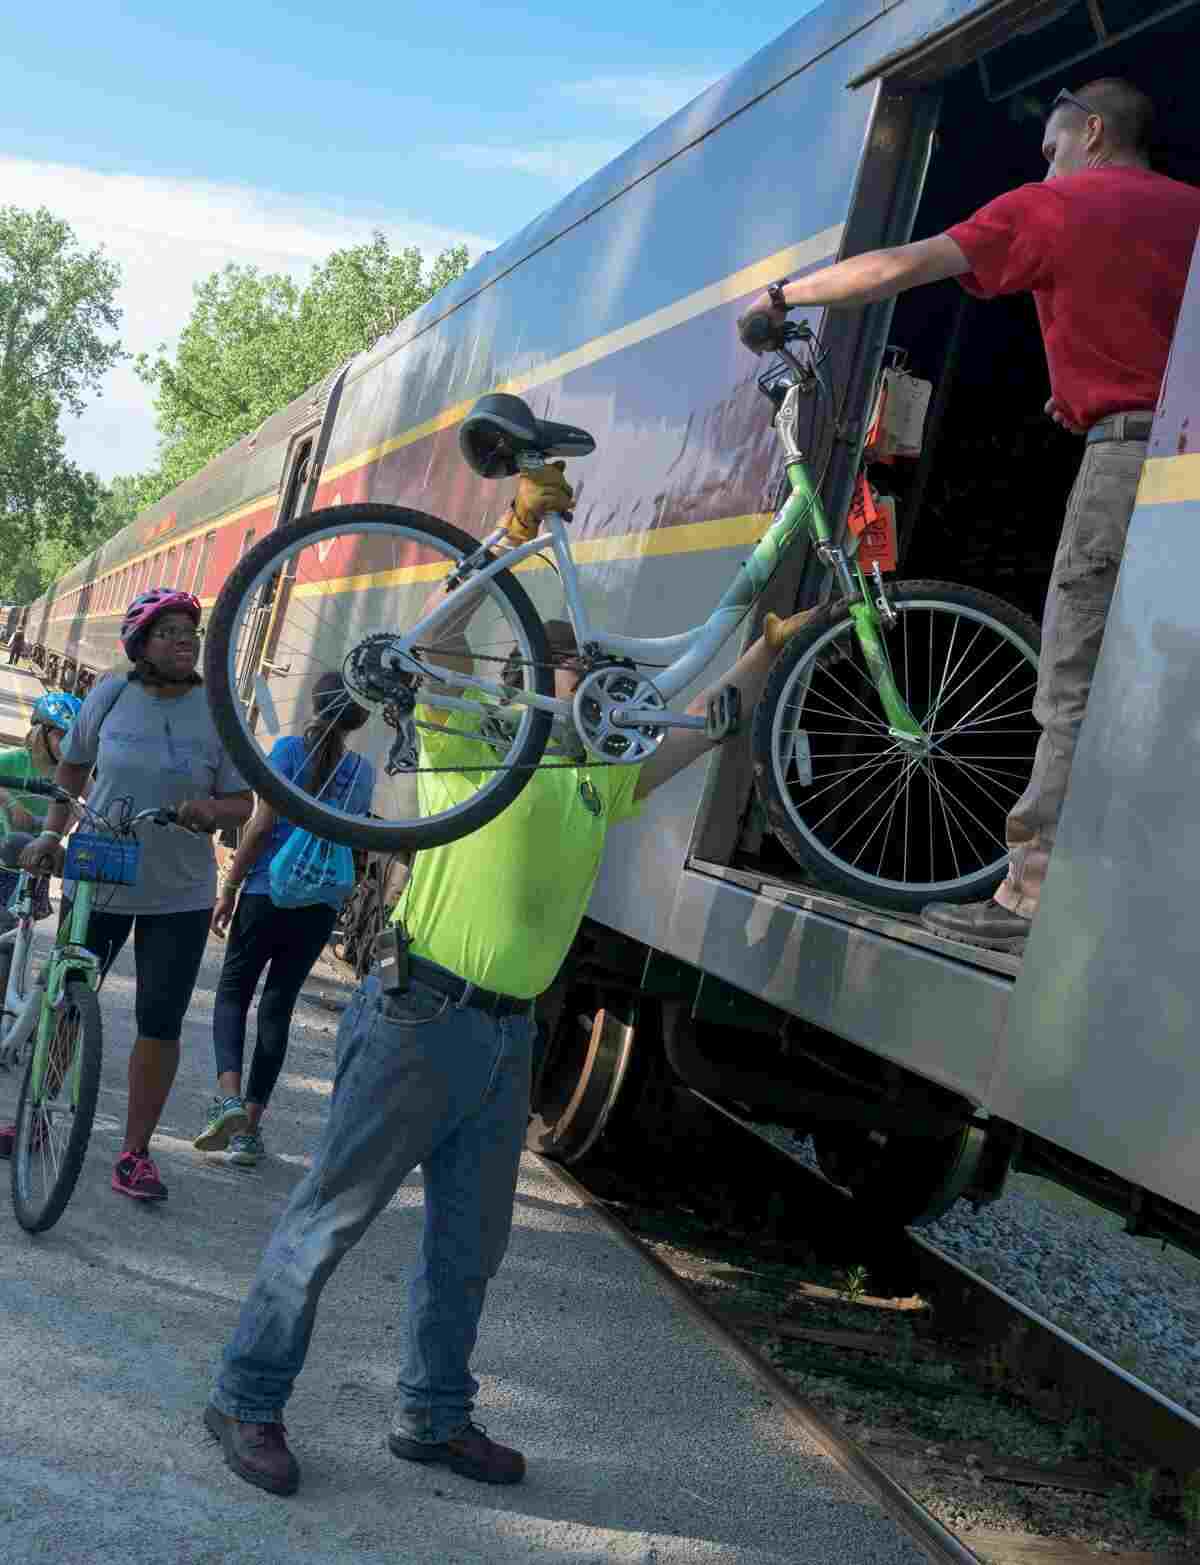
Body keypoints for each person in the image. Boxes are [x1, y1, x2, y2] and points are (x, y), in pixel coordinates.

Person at [202, 464, 818, 1497]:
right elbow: (440, 645)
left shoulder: (603, 772)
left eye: (593, 663)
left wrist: (764, 652)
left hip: (505, 1039)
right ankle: (246, 1396)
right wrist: (503, 537)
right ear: (528, 676)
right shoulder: (471, 740)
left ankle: (432, 1417)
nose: (581, 672)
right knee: (329, 1219)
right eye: (562, 659)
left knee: (468, 1247)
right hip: (418, 1012)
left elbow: (707, 724)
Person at [741, 78, 1200, 953]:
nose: (1048, 163)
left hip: (1130, 453)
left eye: (1054, 147)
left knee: (1074, 682)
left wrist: (785, 297)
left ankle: (1026, 901)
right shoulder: (1193, 214)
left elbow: (901, 266)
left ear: (1094, 134)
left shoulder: (1060, 207)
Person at [20, 588, 253, 1200]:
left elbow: (243, 802)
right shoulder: (112, 692)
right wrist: (51, 834)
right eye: (170, 633)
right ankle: (38, 1112)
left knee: (160, 1020)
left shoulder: (218, 709)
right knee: (68, 998)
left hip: (179, 894)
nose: (184, 643)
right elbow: (72, 768)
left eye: (190, 634)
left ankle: (135, 1153)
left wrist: (210, 809)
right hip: (99, 871)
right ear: (140, 644)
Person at [193, 672, 375, 1169]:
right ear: (358, 719)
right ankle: (249, 1132)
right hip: (317, 904)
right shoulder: (363, 773)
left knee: (233, 995)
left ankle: (228, 1100)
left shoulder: (288, 753)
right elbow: (355, 841)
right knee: (277, 1007)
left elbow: (260, 828)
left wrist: (228, 887)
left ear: (315, 704)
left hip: (265, 894)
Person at [0, 692, 82, 1160]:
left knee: (16, 943)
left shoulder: (65, 776)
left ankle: (15, 1019)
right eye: (59, 735)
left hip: (30, 868)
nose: (66, 744)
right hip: (3, 857)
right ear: (41, 732)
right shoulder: (12, 759)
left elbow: (65, 815)